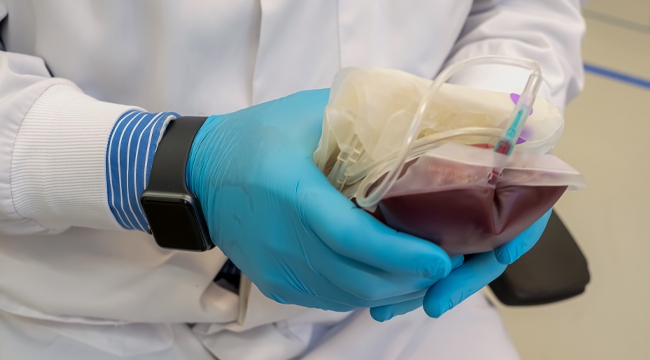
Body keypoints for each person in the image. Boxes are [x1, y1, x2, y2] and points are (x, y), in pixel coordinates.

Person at [0, 1, 585, 359]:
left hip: (391, 316)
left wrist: (483, 143)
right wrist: (171, 162)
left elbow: (522, 10)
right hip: (69, 312)